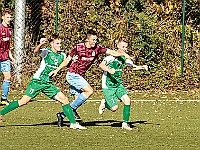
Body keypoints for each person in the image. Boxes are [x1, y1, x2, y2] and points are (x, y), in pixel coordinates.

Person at [0, 34, 86, 129]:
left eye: (60, 43)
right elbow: (36, 51)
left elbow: (66, 65)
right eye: (57, 43)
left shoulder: (62, 55)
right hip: (38, 81)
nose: (59, 45)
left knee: (64, 100)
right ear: (51, 44)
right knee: (23, 101)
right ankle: (0, 113)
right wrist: (40, 44)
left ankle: (73, 123)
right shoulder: (47, 52)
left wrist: (73, 61)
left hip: (48, 83)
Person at [49, 29, 132, 127]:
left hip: (80, 76)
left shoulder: (97, 48)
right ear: (87, 40)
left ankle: (62, 115)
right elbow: (67, 60)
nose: (95, 42)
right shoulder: (78, 47)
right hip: (72, 74)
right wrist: (56, 70)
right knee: (89, 91)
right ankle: (71, 114)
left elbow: (112, 52)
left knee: (79, 98)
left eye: (96, 40)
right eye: (93, 40)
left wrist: (123, 54)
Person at [98, 37, 148, 130]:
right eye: (123, 46)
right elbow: (101, 65)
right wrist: (109, 70)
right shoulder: (111, 56)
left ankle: (125, 123)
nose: (125, 49)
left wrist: (142, 67)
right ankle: (105, 103)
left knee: (127, 100)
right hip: (108, 85)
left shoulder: (125, 57)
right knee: (114, 108)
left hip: (118, 83)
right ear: (117, 46)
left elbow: (131, 67)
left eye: (126, 47)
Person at [0, 8, 15, 106]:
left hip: (5, 57)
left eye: (10, 17)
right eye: (7, 17)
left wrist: (11, 57)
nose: (9, 19)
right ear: (2, 17)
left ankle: (3, 99)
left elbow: (8, 46)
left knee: (8, 77)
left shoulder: (9, 30)